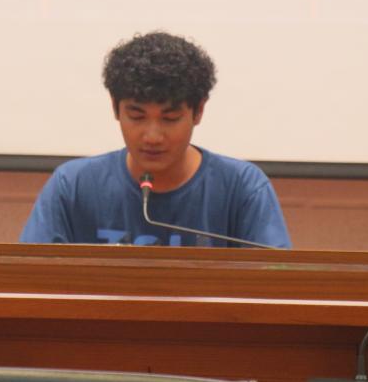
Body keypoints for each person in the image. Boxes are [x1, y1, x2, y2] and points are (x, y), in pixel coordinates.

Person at [20, 31, 291, 248]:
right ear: (115, 108)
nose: (152, 136)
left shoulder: (242, 188)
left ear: (198, 111)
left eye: (170, 118)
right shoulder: (73, 186)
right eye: (137, 116)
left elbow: (276, 282)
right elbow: (29, 279)